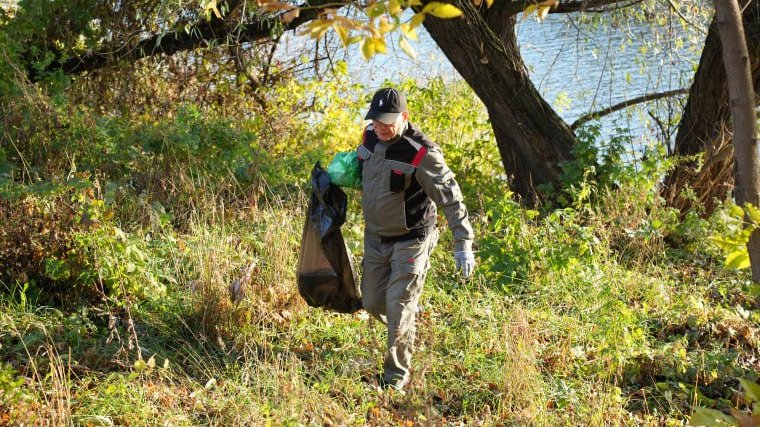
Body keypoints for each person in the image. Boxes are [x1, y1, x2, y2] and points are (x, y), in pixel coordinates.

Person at [357, 87, 475, 391]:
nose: (380, 127)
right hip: (375, 240)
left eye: (387, 121)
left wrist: (462, 243)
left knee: (397, 307)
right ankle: (406, 318)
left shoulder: (421, 152)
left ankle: (395, 376)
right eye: (376, 120)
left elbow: (451, 198)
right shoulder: (369, 137)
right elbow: (361, 170)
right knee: (371, 301)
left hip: (411, 241)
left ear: (404, 117)